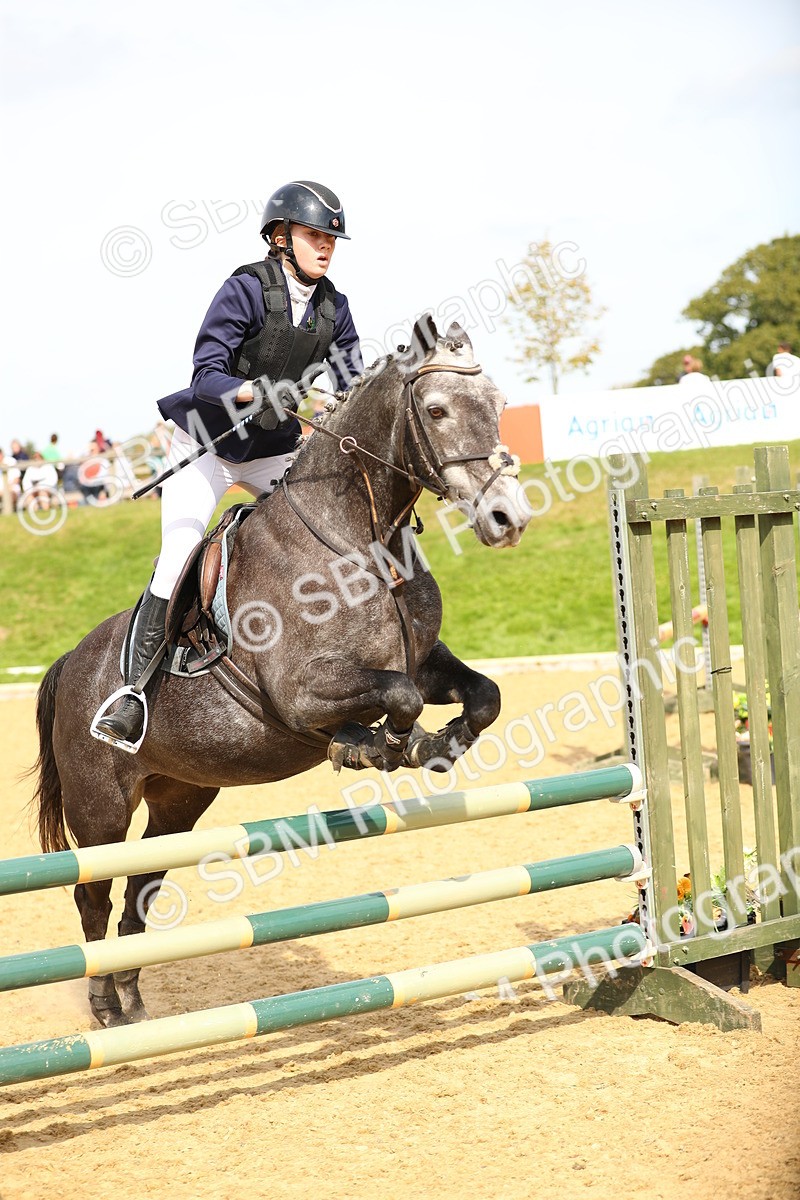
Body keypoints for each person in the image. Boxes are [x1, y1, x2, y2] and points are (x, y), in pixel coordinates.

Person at [94, 180, 363, 750]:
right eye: (315, 235)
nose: (326, 246)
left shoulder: (334, 307)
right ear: (280, 237)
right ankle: (132, 695)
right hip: (207, 448)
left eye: (331, 238)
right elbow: (206, 374)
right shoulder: (244, 288)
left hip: (272, 451)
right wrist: (257, 390)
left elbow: (354, 383)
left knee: (326, 534)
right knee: (177, 557)